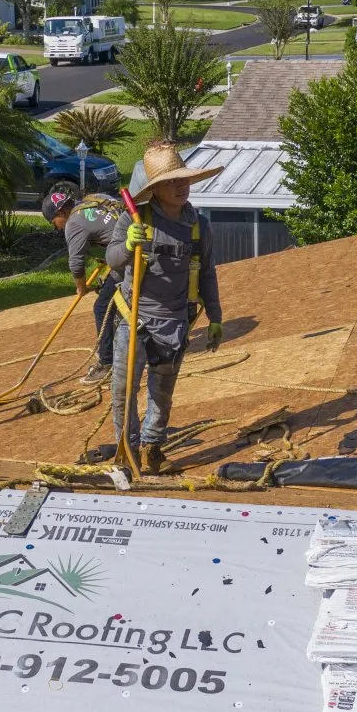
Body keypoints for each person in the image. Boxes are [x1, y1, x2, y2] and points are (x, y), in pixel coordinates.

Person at [103, 143, 225, 473]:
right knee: (123, 389)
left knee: (162, 392)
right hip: (134, 317)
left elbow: (208, 272)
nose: (181, 186)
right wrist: (129, 244)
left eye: (183, 180)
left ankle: (152, 446)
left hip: (174, 322)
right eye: (172, 182)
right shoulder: (135, 219)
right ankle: (124, 448)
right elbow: (111, 260)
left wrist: (215, 317)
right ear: (155, 189)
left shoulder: (199, 227)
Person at [41, 184, 123, 383]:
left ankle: (107, 363)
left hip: (132, 257)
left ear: (61, 211)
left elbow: (76, 263)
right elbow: (109, 228)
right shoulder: (94, 199)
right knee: (115, 300)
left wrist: (81, 287)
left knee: (102, 307)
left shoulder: (74, 223)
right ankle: (121, 348)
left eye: (54, 222)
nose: (56, 227)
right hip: (138, 245)